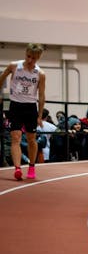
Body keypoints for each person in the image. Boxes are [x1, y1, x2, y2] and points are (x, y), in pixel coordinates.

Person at [0, 43, 47, 180]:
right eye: (28, 56)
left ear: (38, 58)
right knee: (16, 138)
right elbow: (2, 78)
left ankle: (31, 166)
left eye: (33, 58)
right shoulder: (14, 66)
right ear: (25, 53)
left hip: (30, 107)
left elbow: (42, 95)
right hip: (15, 105)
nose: (30, 60)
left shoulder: (40, 74)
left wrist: (39, 115)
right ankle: (17, 168)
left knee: (31, 139)